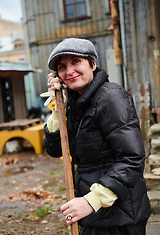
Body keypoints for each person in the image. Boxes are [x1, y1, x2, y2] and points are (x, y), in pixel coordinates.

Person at [43, 38, 151, 235]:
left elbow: (132, 159)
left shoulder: (110, 97)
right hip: (96, 214)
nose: (69, 71)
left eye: (76, 61)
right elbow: (55, 149)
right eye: (62, 66)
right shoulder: (77, 102)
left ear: (92, 64)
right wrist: (59, 107)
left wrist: (90, 201)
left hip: (120, 215)